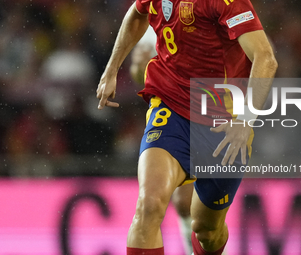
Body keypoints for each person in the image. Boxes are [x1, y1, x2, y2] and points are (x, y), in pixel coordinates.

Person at [96, 0, 277, 254]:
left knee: (207, 231)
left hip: (222, 124)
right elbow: (136, 14)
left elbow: (265, 58)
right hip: (170, 107)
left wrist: (245, 120)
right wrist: (112, 68)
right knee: (149, 205)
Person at [130, 26, 194, 254]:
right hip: (171, 112)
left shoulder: (224, 8)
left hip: (215, 104)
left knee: (200, 212)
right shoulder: (159, 12)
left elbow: (261, 58)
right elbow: (138, 71)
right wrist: (144, 65)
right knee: (162, 203)